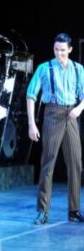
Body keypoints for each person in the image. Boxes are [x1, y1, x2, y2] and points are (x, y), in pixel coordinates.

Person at [27, 33, 84, 225]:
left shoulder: (78, 69)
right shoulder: (45, 68)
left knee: (76, 163)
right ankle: (42, 211)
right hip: (52, 113)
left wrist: (79, 108)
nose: (59, 53)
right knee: (48, 163)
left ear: (70, 49)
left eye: (63, 50)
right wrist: (31, 123)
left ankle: (74, 210)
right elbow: (31, 95)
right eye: (56, 50)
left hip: (71, 115)